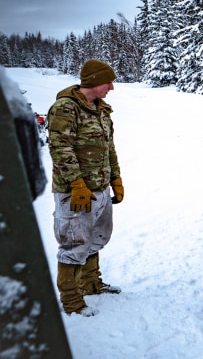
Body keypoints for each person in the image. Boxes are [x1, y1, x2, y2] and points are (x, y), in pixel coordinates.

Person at [47, 59, 123, 317]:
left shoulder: (101, 110)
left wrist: (116, 179)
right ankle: (71, 301)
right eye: (108, 82)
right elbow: (60, 149)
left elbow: (109, 148)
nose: (111, 87)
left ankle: (90, 283)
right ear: (92, 81)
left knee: (99, 237)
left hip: (100, 189)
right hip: (75, 192)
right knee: (73, 245)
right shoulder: (65, 108)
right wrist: (77, 183)